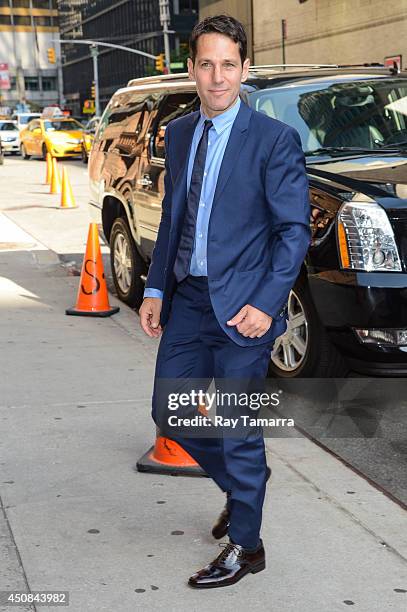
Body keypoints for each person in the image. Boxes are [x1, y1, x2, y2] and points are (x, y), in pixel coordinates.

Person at [139, 14, 311, 588]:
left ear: (244, 69)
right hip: (189, 299)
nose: (217, 77)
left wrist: (267, 303)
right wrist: (156, 287)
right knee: (172, 412)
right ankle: (244, 495)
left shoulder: (273, 140)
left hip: (245, 307)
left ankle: (247, 543)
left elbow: (293, 232)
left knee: (237, 425)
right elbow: (172, 219)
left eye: (228, 65)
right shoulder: (181, 132)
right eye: (206, 64)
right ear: (191, 68)